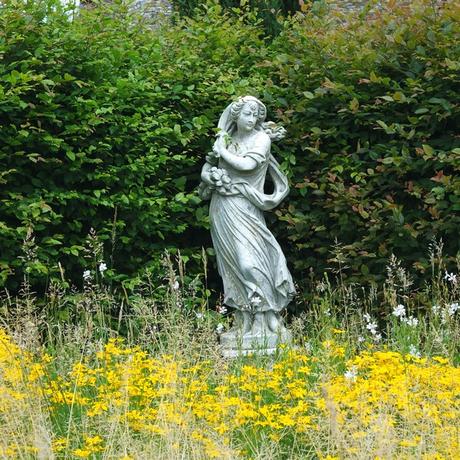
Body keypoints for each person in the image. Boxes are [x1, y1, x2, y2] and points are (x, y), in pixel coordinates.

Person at [200, 96, 295, 344]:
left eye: (256, 116)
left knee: (249, 262)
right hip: (221, 208)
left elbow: (247, 164)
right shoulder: (226, 139)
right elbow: (207, 168)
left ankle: (265, 317)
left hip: (245, 207)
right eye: (247, 114)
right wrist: (211, 177)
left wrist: (222, 151)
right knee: (230, 266)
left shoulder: (260, 139)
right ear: (235, 116)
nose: (252, 120)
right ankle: (245, 320)